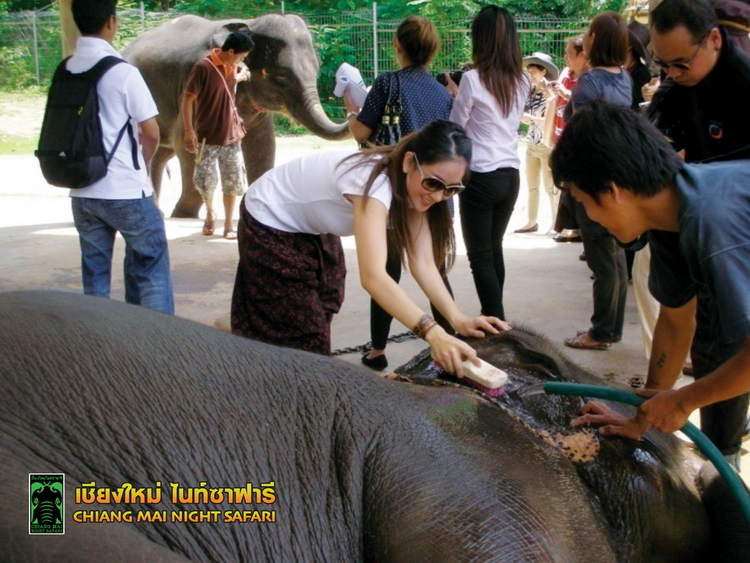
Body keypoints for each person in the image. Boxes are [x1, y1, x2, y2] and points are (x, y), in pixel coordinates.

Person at [550, 100, 750, 470]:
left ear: (612, 191)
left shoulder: (712, 219)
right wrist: (642, 418)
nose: (588, 218)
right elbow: (676, 321)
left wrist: (682, 401)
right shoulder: (668, 221)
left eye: (582, 203)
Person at [231, 120, 509, 372]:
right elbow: (374, 278)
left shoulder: (416, 188)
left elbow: (423, 262)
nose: (438, 196)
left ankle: (260, 325)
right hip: (270, 215)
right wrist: (432, 332)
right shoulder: (374, 183)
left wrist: (458, 320)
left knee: (327, 297)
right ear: (410, 162)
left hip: (312, 225)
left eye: (451, 189)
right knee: (307, 335)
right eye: (433, 183)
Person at [644, 0, 750, 466]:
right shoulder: (675, 91)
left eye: (680, 63)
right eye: (662, 64)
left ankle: (723, 456)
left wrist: (684, 401)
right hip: (705, 220)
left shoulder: (744, 88)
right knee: (705, 331)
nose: (671, 73)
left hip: (733, 230)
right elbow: (674, 318)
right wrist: (647, 410)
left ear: (714, 39)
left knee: (729, 341)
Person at [343, 15, 453, 371]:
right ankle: (452, 342)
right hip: (431, 186)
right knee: (434, 267)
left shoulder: (388, 82)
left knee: (385, 272)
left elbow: (362, 134)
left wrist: (350, 115)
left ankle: (377, 351)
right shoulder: (440, 90)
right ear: (432, 49)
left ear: (397, 46)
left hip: (393, 185)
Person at [68, 0, 174, 314]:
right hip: (125, 190)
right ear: (111, 22)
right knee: (150, 267)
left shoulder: (67, 68)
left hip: (82, 191)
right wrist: (143, 166)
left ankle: (99, 345)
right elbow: (151, 133)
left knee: (95, 276)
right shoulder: (123, 72)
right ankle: (158, 341)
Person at [449, 5, 529, 321]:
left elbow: (457, 127)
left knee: (480, 256)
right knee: (493, 249)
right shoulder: (522, 80)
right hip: (511, 175)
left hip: (481, 176)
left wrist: (455, 96)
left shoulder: (472, 78)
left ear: (479, 39)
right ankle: (497, 317)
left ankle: (495, 322)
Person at [561, 12, 633, 352]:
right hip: (619, 175)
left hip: (592, 179)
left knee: (601, 259)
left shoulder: (589, 83)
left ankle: (601, 331)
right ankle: (611, 328)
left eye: (589, 32)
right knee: (614, 256)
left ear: (597, 39)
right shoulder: (624, 78)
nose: (585, 37)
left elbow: (581, 134)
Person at [182, 31, 254, 240]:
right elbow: (187, 100)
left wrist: (241, 74)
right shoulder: (203, 68)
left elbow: (236, 75)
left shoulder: (233, 65)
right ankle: (210, 212)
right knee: (205, 180)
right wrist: (189, 131)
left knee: (232, 180)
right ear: (230, 51)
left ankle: (229, 223)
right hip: (207, 136)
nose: (242, 60)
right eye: (241, 56)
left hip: (231, 135)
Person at [514, 52, 559, 235]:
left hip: (546, 145)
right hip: (531, 144)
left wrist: (530, 118)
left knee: (550, 187)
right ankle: (531, 221)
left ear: (544, 72)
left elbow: (551, 120)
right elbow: (527, 120)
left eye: (533, 70)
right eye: (529, 70)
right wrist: (526, 118)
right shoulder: (530, 93)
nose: (530, 73)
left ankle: (557, 222)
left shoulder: (551, 93)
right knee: (532, 186)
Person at [549, 34, 587, 243]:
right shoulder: (568, 73)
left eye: (569, 53)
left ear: (582, 55)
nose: (565, 57)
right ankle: (570, 228)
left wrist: (565, 93)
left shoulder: (589, 78)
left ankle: (578, 230)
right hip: (563, 137)